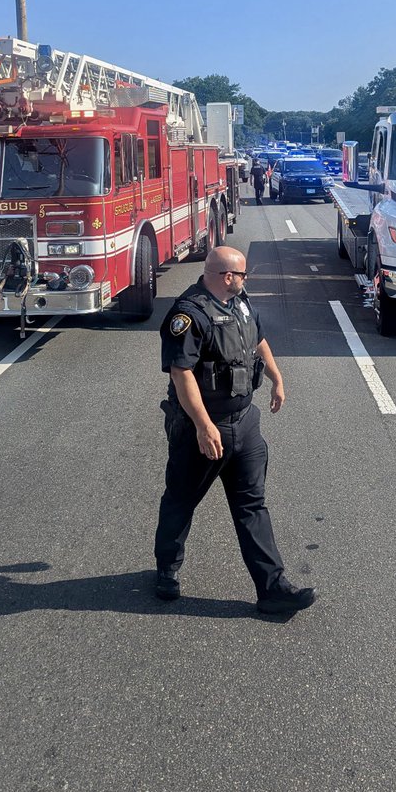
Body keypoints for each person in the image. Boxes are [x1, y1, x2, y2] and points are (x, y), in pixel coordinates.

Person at [154, 246, 316, 615]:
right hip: (203, 429)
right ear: (228, 276)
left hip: (245, 422)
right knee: (181, 500)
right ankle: (167, 568)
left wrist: (276, 377)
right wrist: (202, 425)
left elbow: (257, 339)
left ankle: (272, 588)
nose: (245, 281)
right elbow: (181, 372)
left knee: (251, 505)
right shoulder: (188, 314)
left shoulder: (239, 302)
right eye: (242, 275)